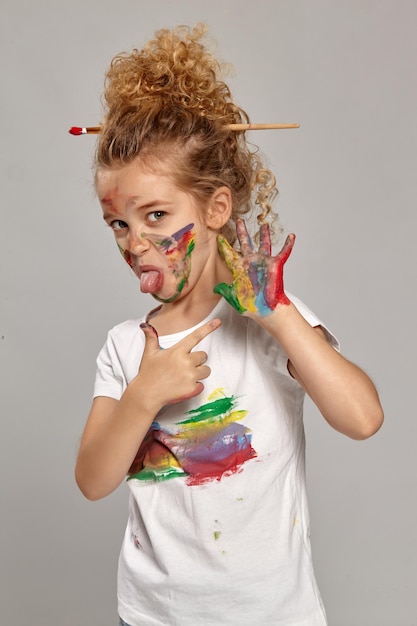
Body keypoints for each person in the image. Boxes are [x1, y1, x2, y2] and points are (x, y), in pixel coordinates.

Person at [74, 24, 383, 626]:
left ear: (216, 209)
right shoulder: (124, 346)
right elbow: (91, 480)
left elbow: (363, 418)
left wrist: (279, 315)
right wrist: (143, 394)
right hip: (150, 617)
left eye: (156, 215)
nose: (136, 244)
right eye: (119, 224)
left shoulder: (267, 319)